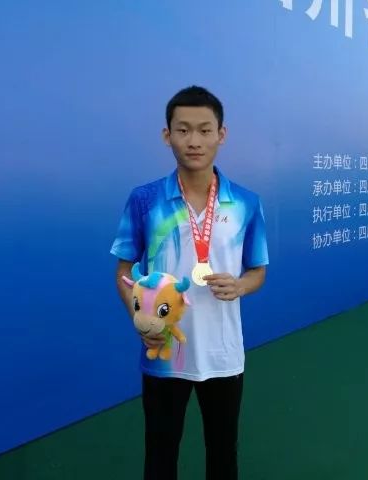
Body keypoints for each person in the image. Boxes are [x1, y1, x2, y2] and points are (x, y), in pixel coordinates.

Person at [110, 85, 269, 480]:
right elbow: (124, 272)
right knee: (160, 454)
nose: (193, 141)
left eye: (204, 130)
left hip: (223, 353)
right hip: (164, 352)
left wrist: (241, 286)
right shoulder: (145, 200)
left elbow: (258, 271)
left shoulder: (246, 202)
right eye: (183, 130)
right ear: (167, 135)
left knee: (223, 452)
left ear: (221, 134)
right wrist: (141, 320)